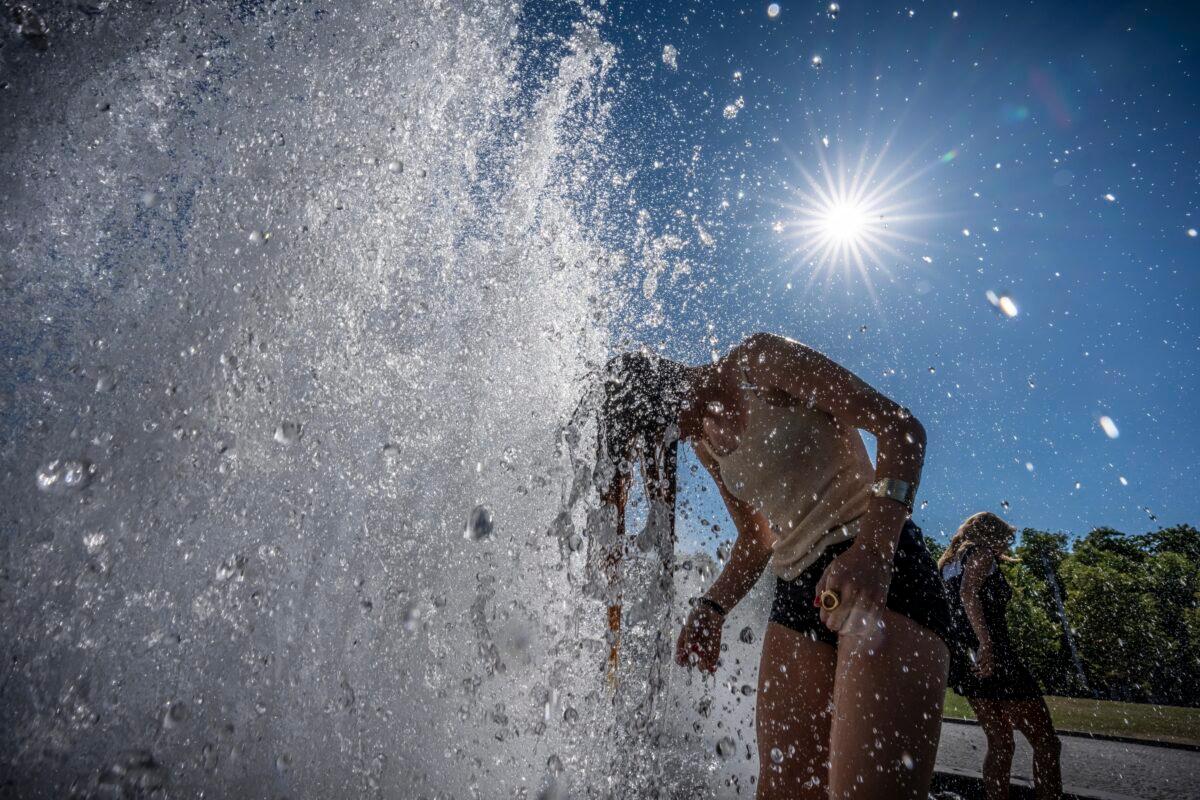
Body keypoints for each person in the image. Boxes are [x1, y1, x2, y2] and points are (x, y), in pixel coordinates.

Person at [591, 333, 953, 799]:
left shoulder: (760, 362)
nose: (674, 439)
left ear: (667, 384)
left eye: (660, 428)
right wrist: (712, 607)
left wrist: (873, 556)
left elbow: (900, 429)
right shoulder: (705, 442)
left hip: (879, 567)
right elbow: (757, 539)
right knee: (781, 790)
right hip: (797, 589)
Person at [939, 512, 1063, 800]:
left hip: (969, 662)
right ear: (990, 535)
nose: (1007, 545)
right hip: (996, 657)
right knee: (1046, 743)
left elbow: (951, 609)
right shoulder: (981, 554)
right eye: (1005, 538)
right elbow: (968, 594)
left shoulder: (948, 564)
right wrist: (986, 643)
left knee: (1000, 743)